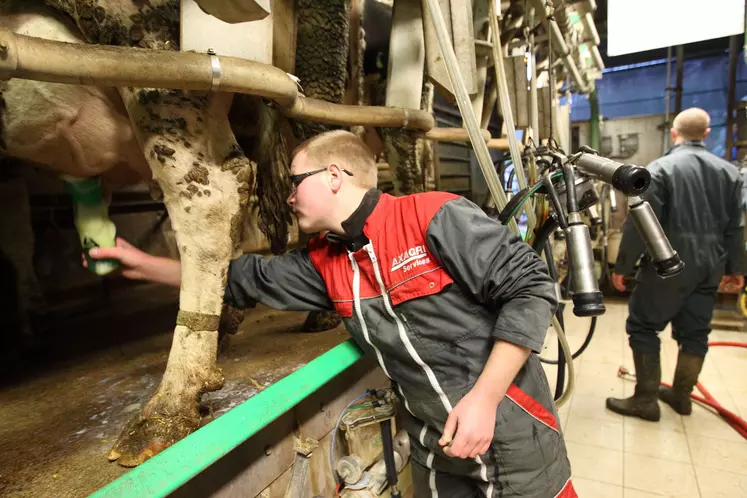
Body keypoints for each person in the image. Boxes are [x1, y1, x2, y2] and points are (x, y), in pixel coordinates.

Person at [88, 130, 576, 497]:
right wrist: (145, 264)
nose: (289, 196)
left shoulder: (432, 215)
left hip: (514, 435)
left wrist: (485, 399)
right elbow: (241, 279)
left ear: (335, 176)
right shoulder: (326, 263)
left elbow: (532, 288)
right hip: (437, 451)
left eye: (296, 182)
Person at [608, 108, 745, 421]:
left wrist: (623, 267)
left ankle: (645, 399)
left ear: (673, 132)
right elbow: (736, 227)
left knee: (643, 326)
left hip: (668, 264)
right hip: (711, 265)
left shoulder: (660, 169)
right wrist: (737, 269)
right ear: (707, 134)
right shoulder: (730, 172)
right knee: (695, 333)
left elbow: (641, 223)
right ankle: (681, 396)